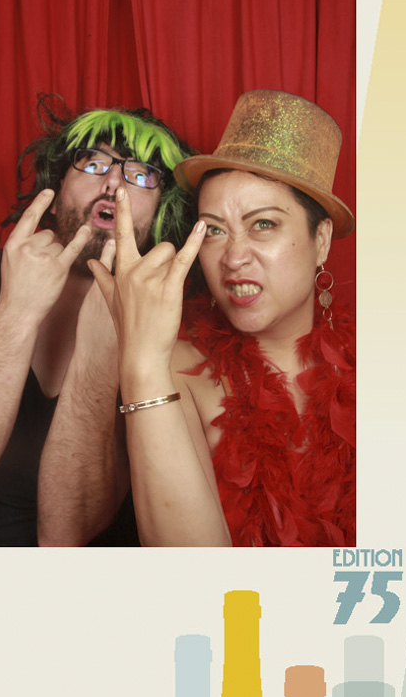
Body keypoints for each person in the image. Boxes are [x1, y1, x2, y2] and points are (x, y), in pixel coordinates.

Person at [0, 101, 194, 546]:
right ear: (56, 191)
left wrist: (98, 354)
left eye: (140, 176)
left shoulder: (161, 332)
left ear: (160, 215)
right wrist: (16, 312)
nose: (113, 182)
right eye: (92, 164)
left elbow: (66, 536)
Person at [92, 89, 355, 547]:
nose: (233, 258)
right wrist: (141, 361)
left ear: (321, 240)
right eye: (213, 230)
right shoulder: (174, 368)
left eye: (263, 224)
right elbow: (196, 571)